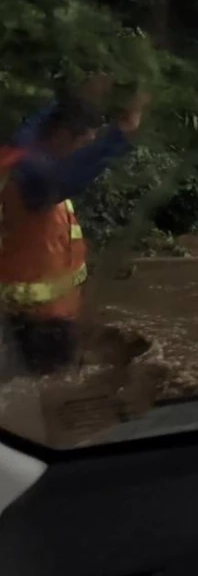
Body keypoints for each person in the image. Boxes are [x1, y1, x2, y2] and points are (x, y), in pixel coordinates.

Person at [0, 80, 148, 376]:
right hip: (36, 323)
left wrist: (70, 99)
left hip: (25, 318)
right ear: (64, 136)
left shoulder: (18, 153)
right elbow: (73, 173)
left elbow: (34, 125)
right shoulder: (35, 181)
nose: (84, 150)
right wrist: (119, 137)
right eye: (84, 142)